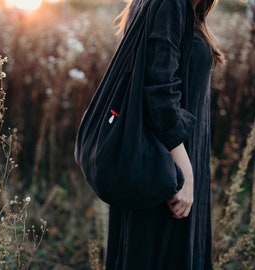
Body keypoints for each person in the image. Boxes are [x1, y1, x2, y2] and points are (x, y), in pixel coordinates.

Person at [105, 0, 224, 269]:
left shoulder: (179, 7)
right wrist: (185, 172)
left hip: (170, 158)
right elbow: (159, 93)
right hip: (166, 166)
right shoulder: (171, 3)